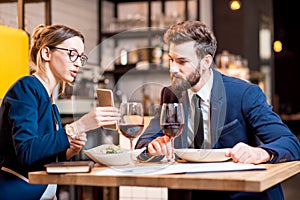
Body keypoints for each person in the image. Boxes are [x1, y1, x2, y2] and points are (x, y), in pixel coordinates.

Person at [135, 20, 300, 199]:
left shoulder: (244, 94)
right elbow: (143, 142)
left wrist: (259, 153)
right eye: (171, 60)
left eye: (182, 61)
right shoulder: (172, 94)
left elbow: (289, 143)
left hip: (245, 195)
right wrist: (153, 148)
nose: (173, 69)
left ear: (206, 61)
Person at [0, 24, 120, 200]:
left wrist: (69, 150)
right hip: (17, 192)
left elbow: (44, 155)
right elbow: (26, 152)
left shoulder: (50, 99)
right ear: (46, 53)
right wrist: (77, 127)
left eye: (80, 57)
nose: (78, 63)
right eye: (72, 54)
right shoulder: (26, 88)